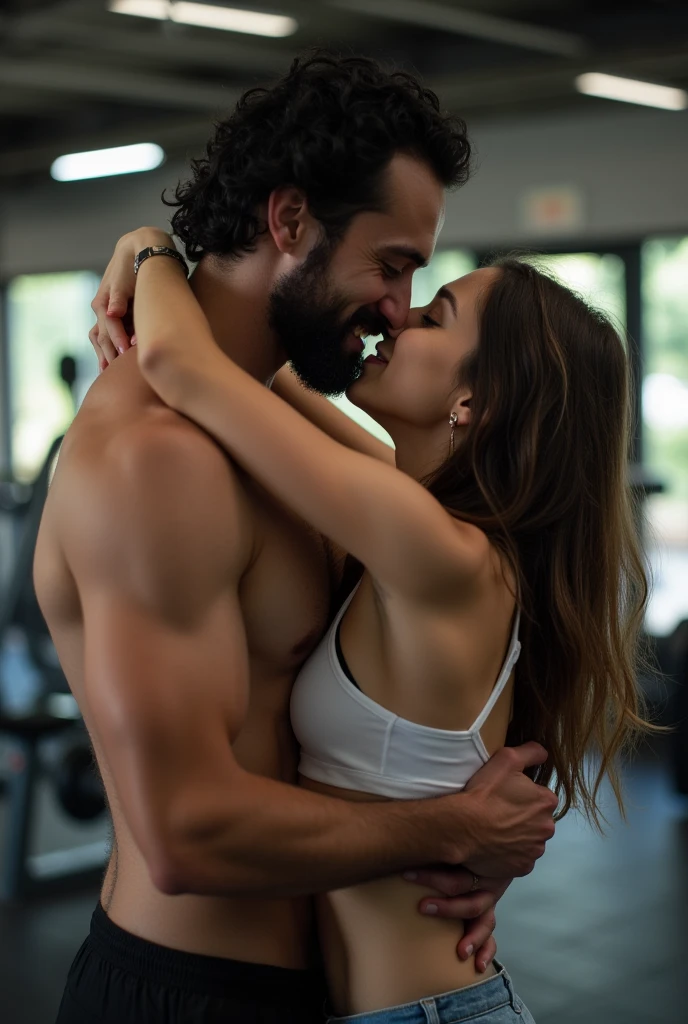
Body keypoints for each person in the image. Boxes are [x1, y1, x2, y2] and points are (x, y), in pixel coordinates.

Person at [37, 54, 556, 1024]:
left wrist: (152, 250)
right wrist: (454, 829)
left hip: (326, 988)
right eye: (391, 265)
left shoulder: (303, 450)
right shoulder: (158, 460)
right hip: (188, 993)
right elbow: (185, 834)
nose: (396, 309)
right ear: (288, 223)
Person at [101, 228, 653, 1024]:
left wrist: (150, 249)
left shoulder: (441, 551)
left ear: (475, 401)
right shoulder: (427, 520)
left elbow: (187, 368)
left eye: (436, 317)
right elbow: (256, 378)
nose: (401, 316)